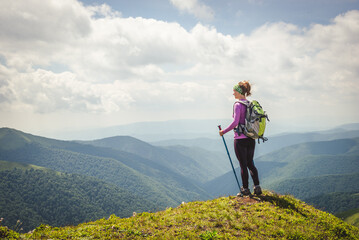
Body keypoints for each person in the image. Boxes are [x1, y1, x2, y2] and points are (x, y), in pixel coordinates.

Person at [219, 81, 262, 196]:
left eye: (234, 91)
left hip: (240, 139)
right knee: (250, 163)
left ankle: (245, 189)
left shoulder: (237, 105)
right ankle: (257, 186)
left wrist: (223, 131)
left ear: (239, 91)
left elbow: (235, 122)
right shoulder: (249, 104)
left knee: (243, 165)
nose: (233, 94)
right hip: (251, 138)